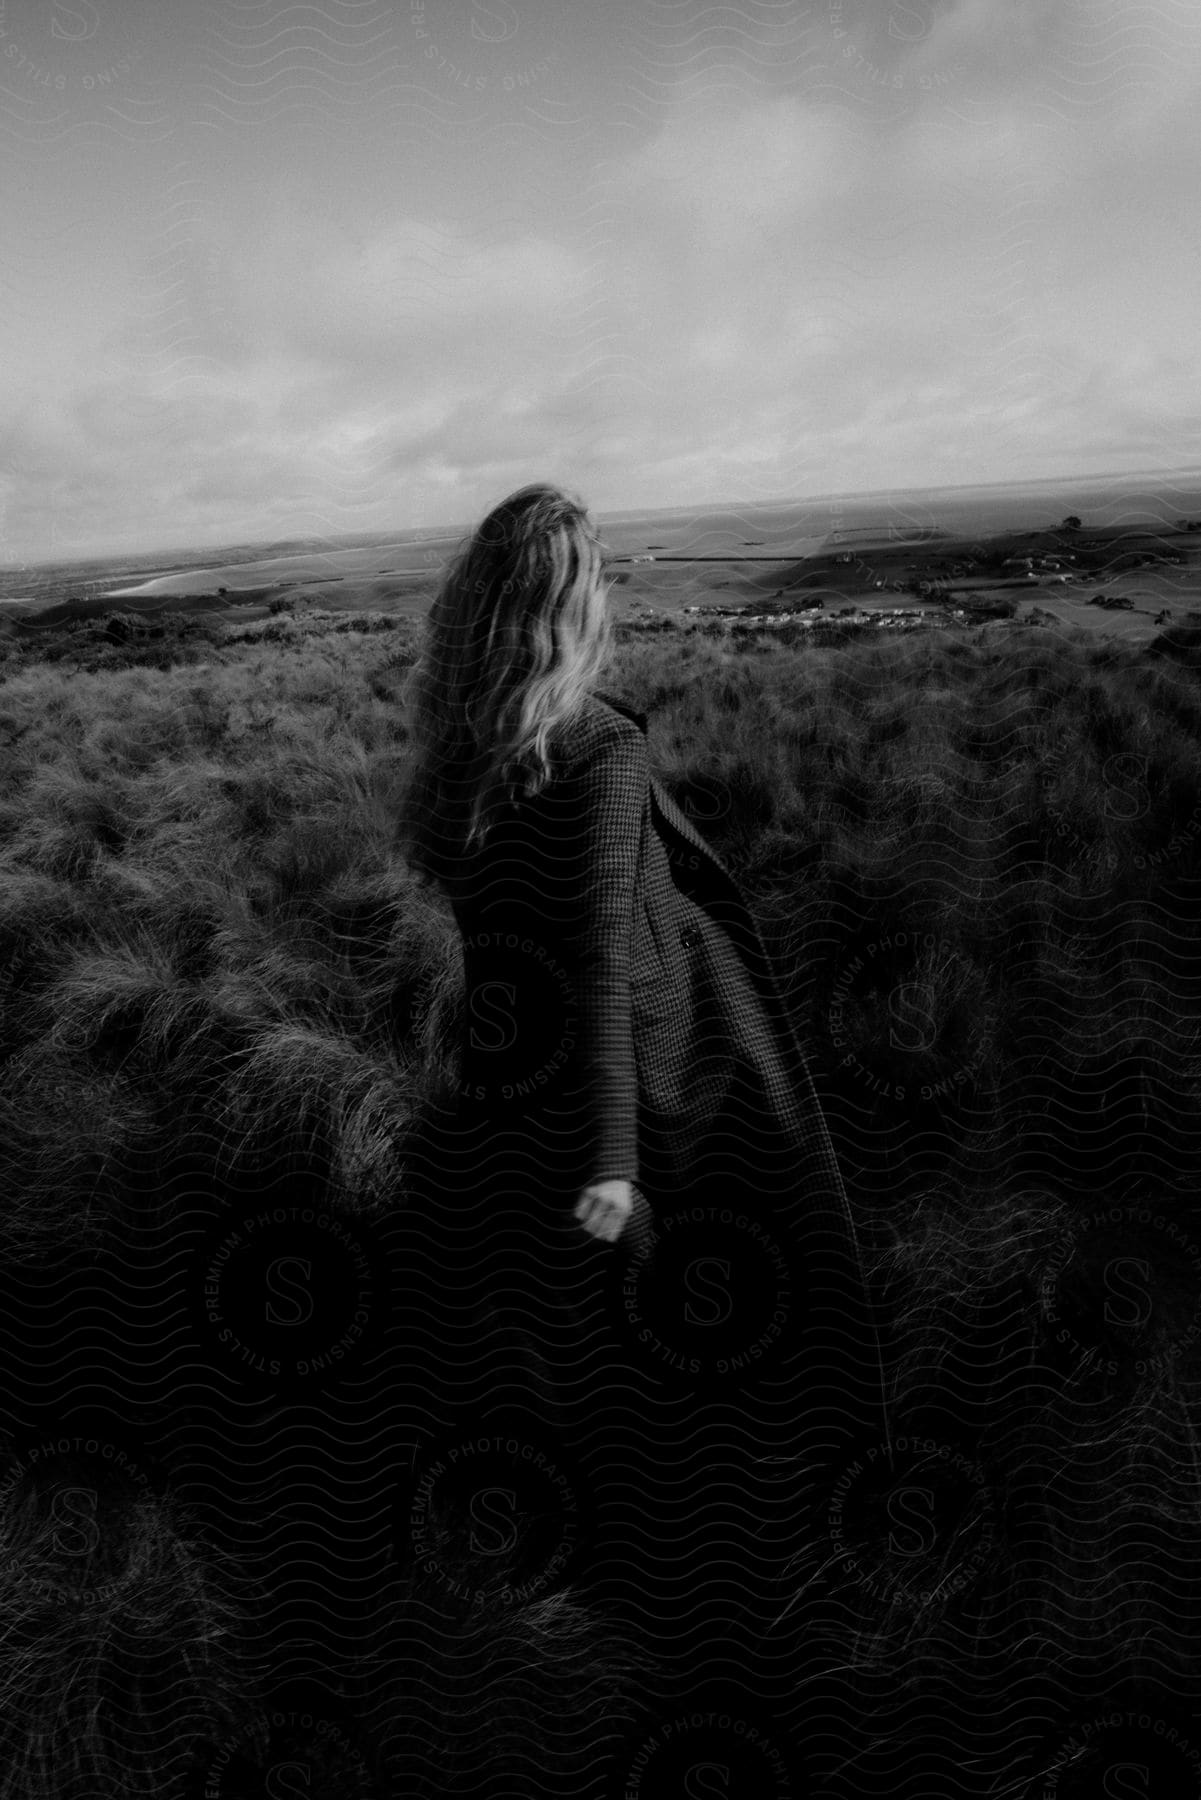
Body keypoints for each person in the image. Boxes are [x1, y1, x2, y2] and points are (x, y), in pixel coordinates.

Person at [393, 482, 888, 1715]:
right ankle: (739, 1587)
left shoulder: (457, 748)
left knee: (585, 1325)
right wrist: (611, 1154)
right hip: (668, 1064)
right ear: (575, 606)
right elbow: (604, 954)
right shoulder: (599, 746)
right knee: (736, 1289)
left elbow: (489, 935)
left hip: (514, 1064)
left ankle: (620, 1533)